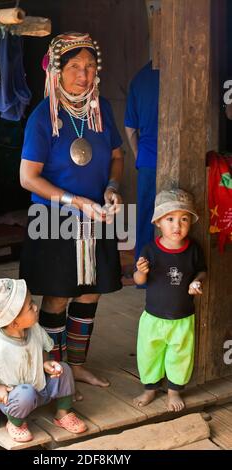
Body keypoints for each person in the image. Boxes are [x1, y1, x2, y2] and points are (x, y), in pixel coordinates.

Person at [19, 32, 124, 392]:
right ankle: (55, 372)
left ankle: (76, 366)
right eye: (75, 66)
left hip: (97, 215)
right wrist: (73, 201)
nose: (84, 74)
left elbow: (115, 156)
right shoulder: (42, 117)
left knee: (89, 292)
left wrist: (112, 187)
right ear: (57, 71)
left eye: (90, 66)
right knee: (57, 293)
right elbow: (28, 178)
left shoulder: (102, 109)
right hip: (54, 218)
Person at [0, 278, 87, 443]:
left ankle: (62, 414)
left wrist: (46, 363)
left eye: (32, 302)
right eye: (30, 307)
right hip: (17, 398)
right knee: (25, 392)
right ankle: (15, 423)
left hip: (41, 390)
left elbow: (42, 348)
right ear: (14, 322)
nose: (35, 307)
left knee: (64, 369)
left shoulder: (34, 328)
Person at [133, 189, 207, 412]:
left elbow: (202, 271)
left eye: (184, 219)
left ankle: (174, 391)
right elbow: (139, 280)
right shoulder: (150, 250)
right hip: (153, 317)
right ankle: (150, 389)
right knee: (149, 353)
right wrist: (141, 271)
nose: (177, 225)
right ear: (158, 222)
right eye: (170, 219)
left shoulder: (193, 249)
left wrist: (197, 281)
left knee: (180, 355)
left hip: (182, 319)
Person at [124, 61, 160, 265]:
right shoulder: (185, 68)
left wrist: (139, 154)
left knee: (146, 215)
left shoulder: (140, 78)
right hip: (184, 156)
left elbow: (130, 127)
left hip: (148, 158)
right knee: (179, 216)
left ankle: (143, 272)